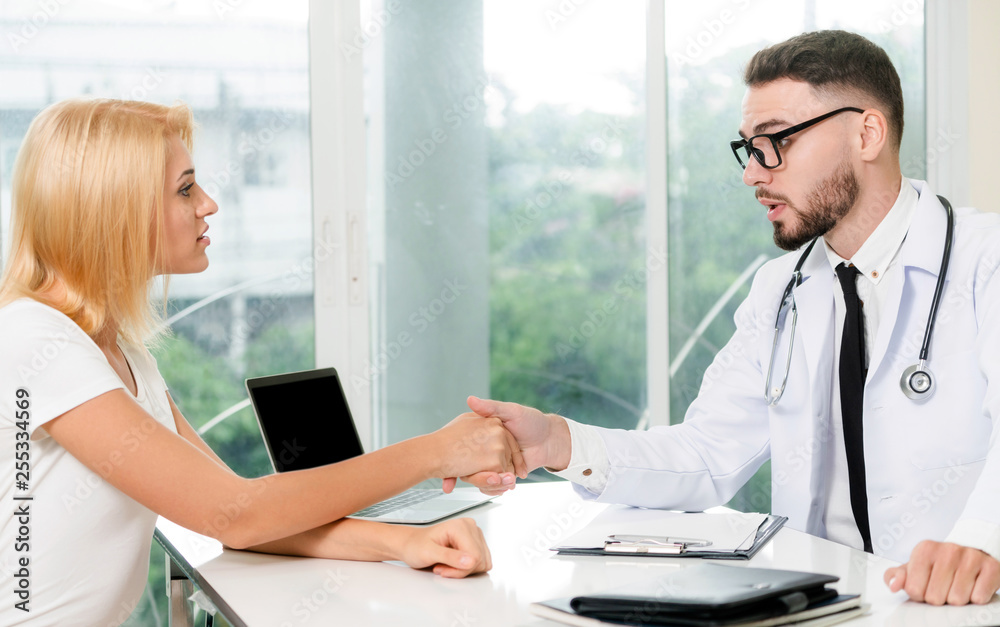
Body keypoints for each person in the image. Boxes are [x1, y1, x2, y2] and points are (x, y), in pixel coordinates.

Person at [461, 30, 1000, 606]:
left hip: (957, 608)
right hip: (825, 606)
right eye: (749, 147)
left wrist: (981, 540)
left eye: (776, 142)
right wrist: (561, 443)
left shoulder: (983, 261)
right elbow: (705, 455)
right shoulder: (781, 291)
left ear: (867, 133)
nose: (753, 173)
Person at [0, 98, 525, 625]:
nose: (208, 204)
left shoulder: (121, 354)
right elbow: (240, 513)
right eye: (185, 189)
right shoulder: (33, 339)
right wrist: (436, 452)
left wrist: (404, 542)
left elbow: (235, 515)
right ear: (115, 210)